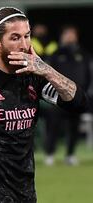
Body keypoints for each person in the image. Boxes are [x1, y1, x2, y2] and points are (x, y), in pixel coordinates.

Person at [0, 7, 91, 203]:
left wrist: (46, 70)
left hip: (25, 195)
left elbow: (79, 103)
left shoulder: (32, 76)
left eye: (27, 36)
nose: (24, 44)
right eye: (15, 38)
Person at [43, 25, 92, 166]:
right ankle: (50, 154)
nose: (70, 37)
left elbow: (88, 75)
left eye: (73, 34)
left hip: (76, 97)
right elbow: (47, 74)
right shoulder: (56, 53)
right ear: (62, 36)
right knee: (54, 127)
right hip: (57, 98)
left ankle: (70, 155)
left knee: (74, 127)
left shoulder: (83, 53)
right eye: (67, 34)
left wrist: (85, 93)